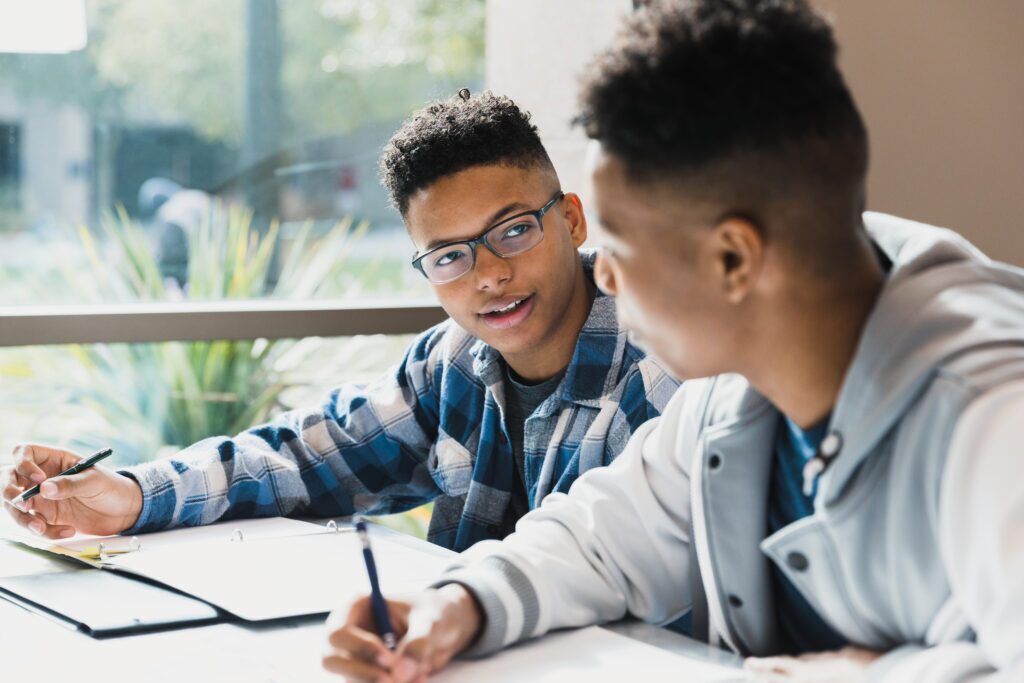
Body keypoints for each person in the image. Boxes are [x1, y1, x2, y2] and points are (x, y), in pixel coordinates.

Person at [320, 1, 1024, 681]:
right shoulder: (736, 387)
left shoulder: (996, 418)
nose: (607, 277)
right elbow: (599, 537)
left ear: (732, 261)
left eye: (621, 248)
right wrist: (455, 603)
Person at [1, 92, 677, 555]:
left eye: (513, 230)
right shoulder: (451, 364)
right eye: (448, 256)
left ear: (572, 220)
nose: (488, 275)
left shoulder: (658, 382)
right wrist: (129, 494)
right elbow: (300, 458)